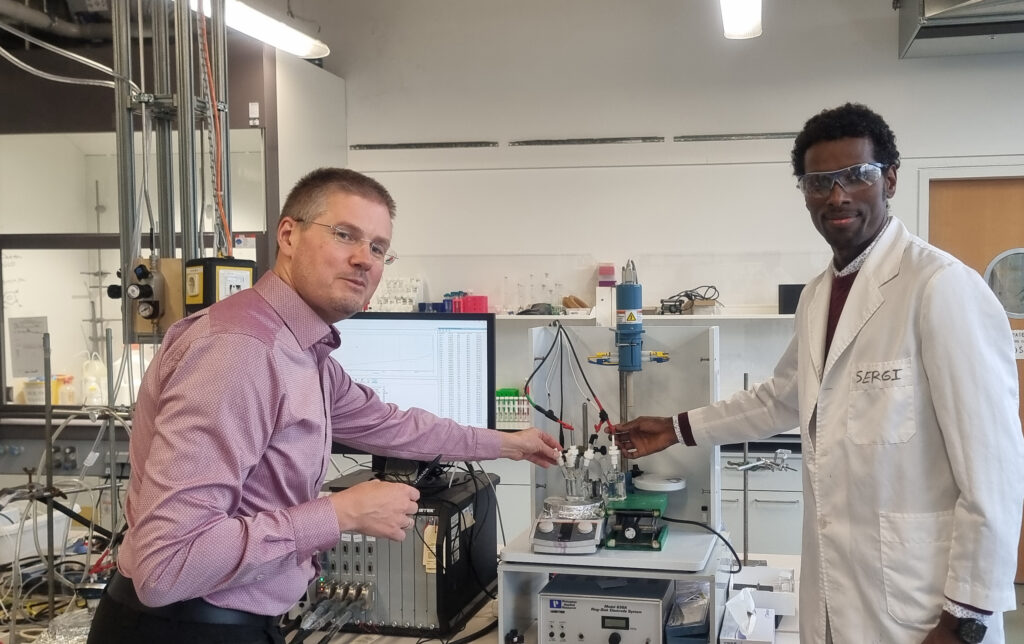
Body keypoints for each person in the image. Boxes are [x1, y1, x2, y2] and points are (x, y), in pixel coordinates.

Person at [88, 168, 561, 644]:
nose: (364, 260)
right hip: (181, 629)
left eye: (378, 248)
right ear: (288, 235)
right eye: (344, 235)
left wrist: (507, 443)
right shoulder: (240, 352)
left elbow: (392, 426)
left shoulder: (301, 351)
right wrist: (340, 513)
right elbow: (167, 564)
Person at [611, 103, 1023, 644]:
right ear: (804, 193)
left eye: (858, 175)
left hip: (924, 610)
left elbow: (994, 475)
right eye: (819, 182)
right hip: (835, 595)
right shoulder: (817, 296)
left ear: (891, 179)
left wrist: (964, 619)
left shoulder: (941, 287)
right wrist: (676, 427)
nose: (838, 195)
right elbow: (781, 397)